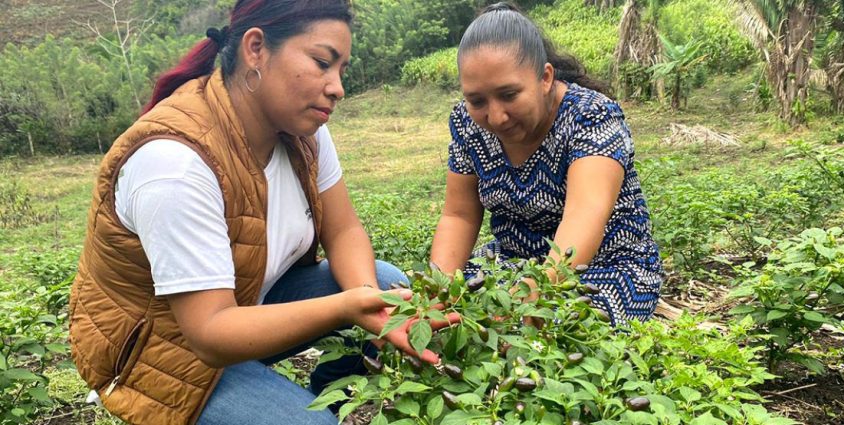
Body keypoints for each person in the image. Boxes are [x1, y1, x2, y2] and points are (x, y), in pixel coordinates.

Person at [68, 1, 458, 424]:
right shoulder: (175, 163)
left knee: (384, 284)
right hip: (165, 349)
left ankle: (322, 399)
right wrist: (346, 307)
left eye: (341, 70)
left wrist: (370, 304)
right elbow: (211, 333)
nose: (337, 87)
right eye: (322, 62)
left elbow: (343, 230)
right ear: (256, 49)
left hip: (247, 303)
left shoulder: (303, 131)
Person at [430, 2, 662, 326]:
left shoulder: (589, 117)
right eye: (477, 101)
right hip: (512, 263)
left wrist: (539, 290)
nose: (495, 117)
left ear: (545, 78)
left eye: (509, 94)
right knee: (461, 311)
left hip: (603, 265)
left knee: (569, 325)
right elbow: (459, 215)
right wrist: (439, 292)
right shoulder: (468, 126)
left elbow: (585, 214)